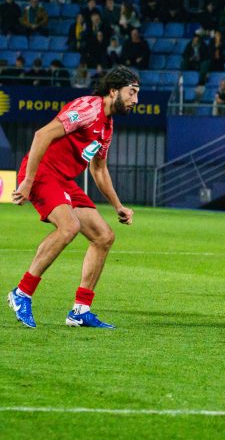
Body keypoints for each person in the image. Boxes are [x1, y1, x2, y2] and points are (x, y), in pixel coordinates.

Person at [7, 67, 140, 329]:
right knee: (69, 226)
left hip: (64, 180)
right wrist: (28, 180)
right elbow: (42, 135)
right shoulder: (89, 108)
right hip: (43, 172)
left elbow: (98, 170)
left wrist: (118, 206)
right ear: (113, 91)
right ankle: (21, 293)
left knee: (104, 236)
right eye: (132, 93)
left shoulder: (107, 126)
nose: (136, 100)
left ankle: (80, 310)